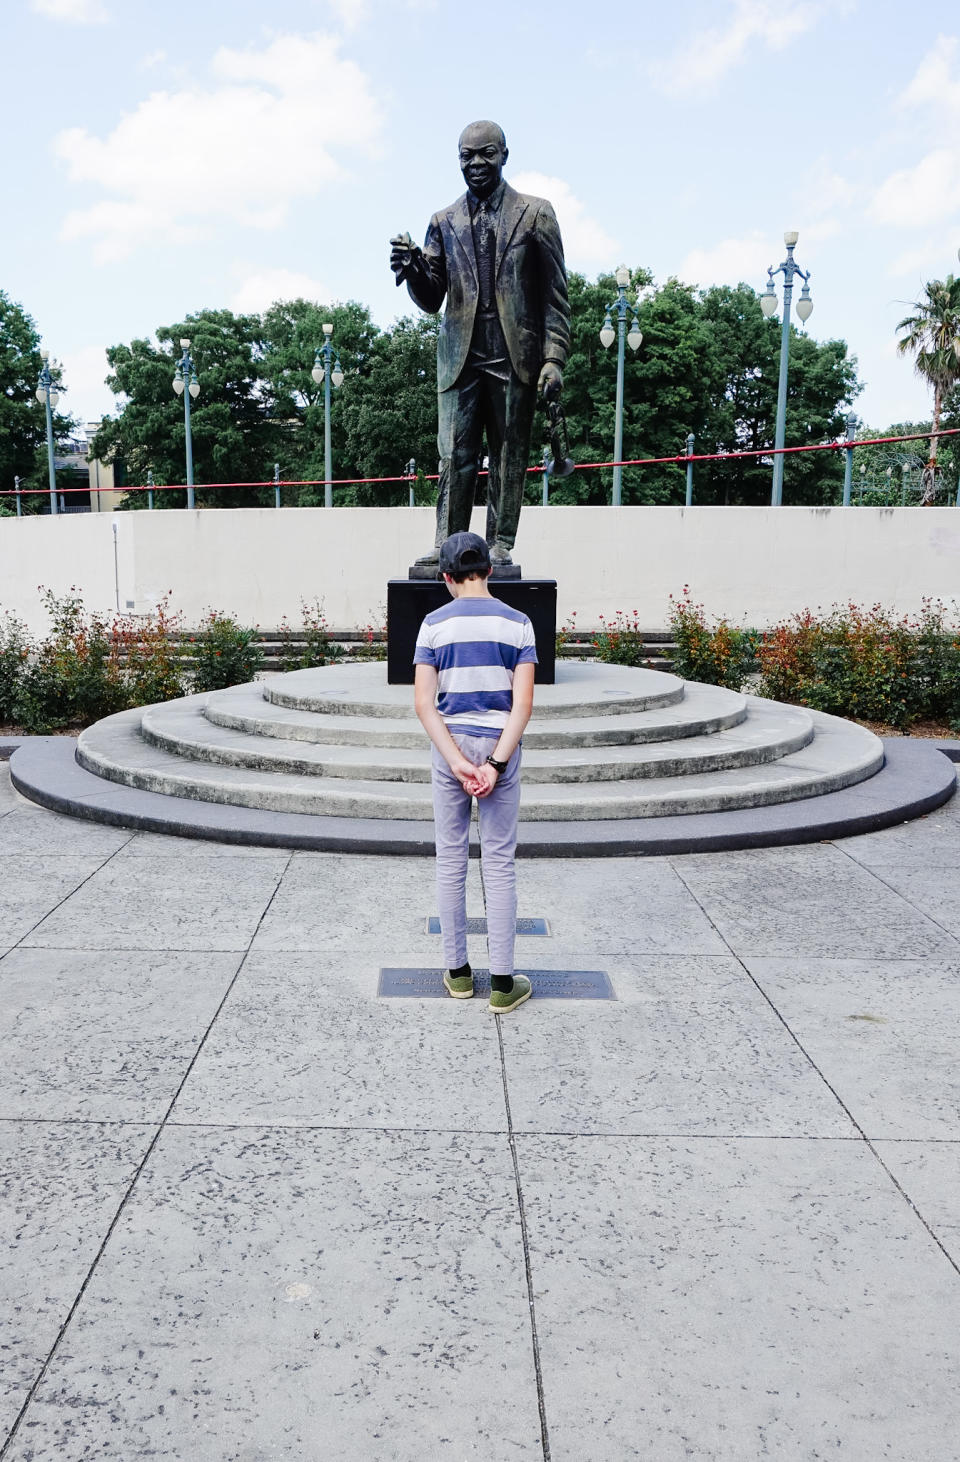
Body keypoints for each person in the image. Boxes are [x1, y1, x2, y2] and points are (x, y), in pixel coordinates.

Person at [390, 119, 570, 568]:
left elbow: (555, 294)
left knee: (509, 455)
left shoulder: (536, 213)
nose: (476, 163)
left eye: (485, 153)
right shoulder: (442, 221)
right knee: (454, 454)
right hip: (460, 357)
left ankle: (500, 543)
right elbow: (432, 300)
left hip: (515, 354)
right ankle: (448, 543)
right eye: (466, 155)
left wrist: (554, 357)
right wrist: (413, 269)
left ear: (505, 154)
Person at [413, 530, 536, 1013]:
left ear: (447, 577)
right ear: (489, 570)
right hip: (500, 746)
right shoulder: (519, 623)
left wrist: (459, 762)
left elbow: (424, 704)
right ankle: (504, 984)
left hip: (451, 749)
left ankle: (459, 974)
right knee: (500, 861)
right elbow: (522, 705)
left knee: (450, 859)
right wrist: (494, 765)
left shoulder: (433, 626)